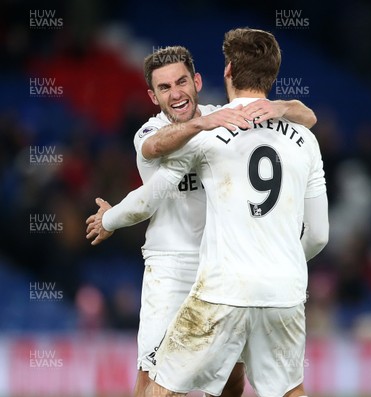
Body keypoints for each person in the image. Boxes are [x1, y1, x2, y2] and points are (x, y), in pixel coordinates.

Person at [88, 28, 328, 397]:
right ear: (153, 97)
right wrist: (111, 218)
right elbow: (152, 157)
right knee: (154, 378)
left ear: (199, 80)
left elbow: (306, 117)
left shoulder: (223, 120)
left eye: (181, 81)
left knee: (232, 378)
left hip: (222, 268)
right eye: (164, 88)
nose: (176, 93)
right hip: (173, 267)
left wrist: (280, 107)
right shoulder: (157, 130)